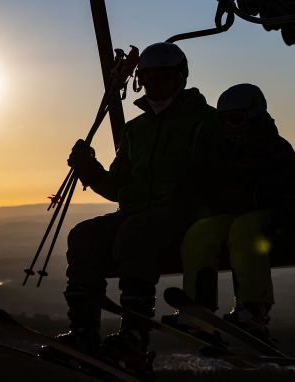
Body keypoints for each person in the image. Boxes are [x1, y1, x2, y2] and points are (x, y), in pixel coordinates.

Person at [57, 42, 221, 370]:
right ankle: (84, 332)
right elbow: (119, 188)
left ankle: (134, 335)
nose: (155, 85)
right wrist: (90, 170)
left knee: (136, 232)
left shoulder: (205, 121)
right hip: (139, 214)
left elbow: (219, 171)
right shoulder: (136, 130)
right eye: (148, 78)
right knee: (83, 235)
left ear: (180, 78)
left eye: (162, 78)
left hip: (183, 214)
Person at [162, 83, 295, 343]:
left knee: (244, 231)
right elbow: (204, 183)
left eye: (236, 119)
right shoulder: (221, 150)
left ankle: (253, 307)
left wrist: (277, 217)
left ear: (254, 116)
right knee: (201, 232)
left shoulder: (275, 148)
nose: (230, 127)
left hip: (264, 215)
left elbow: (286, 190)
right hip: (229, 214)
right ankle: (197, 306)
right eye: (223, 120)